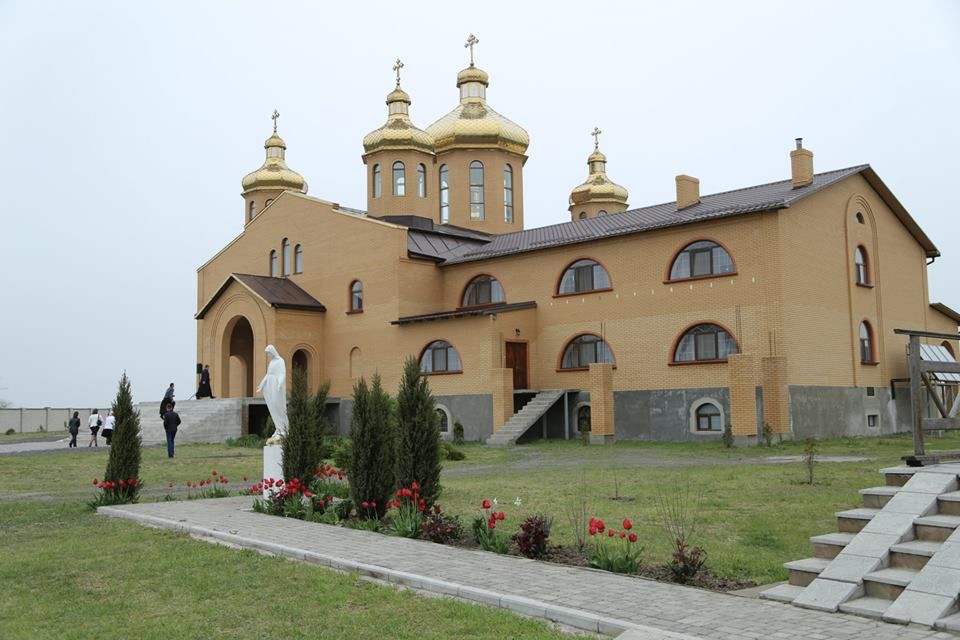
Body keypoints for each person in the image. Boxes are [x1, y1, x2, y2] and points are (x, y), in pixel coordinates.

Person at [256, 345, 288, 440]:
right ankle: (278, 428)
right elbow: (268, 374)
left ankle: (284, 429)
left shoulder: (280, 361)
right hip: (269, 385)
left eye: (269, 353)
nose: (268, 355)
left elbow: (282, 373)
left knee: (278, 406)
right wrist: (261, 384)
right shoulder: (272, 362)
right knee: (272, 407)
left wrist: (280, 383)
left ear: (273, 352)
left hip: (276, 385)